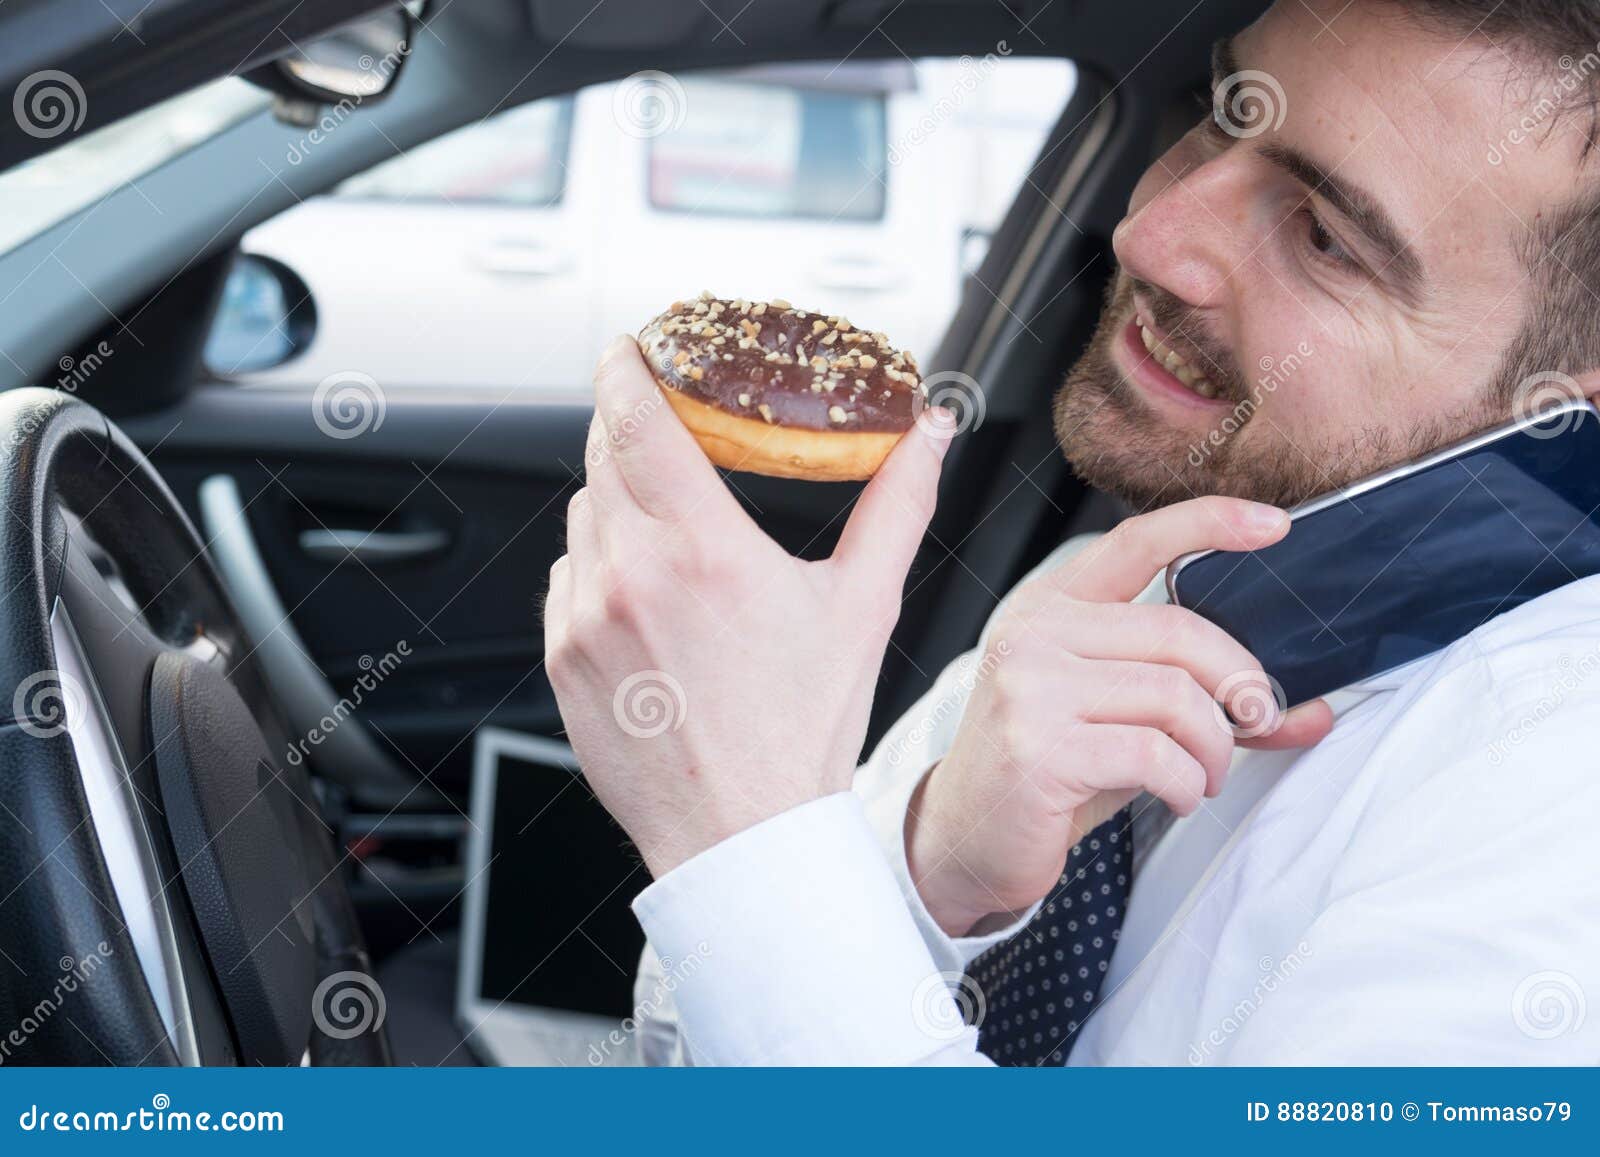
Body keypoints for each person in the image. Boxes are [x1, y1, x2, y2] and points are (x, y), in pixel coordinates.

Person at [543, 0, 1600, 1065]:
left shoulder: (1553, 835)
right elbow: (688, 1055)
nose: (1150, 231)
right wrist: (932, 869)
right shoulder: (1123, 583)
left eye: (1326, 238)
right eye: (1220, 113)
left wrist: (747, 825)